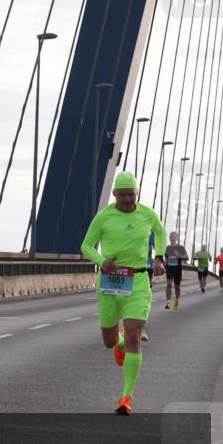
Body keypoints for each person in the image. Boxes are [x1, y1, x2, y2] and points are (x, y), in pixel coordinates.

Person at [80, 171, 166, 415]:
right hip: (109, 280)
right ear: (115, 193)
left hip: (138, 279)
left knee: (134, 335)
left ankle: (126, 397)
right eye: (124, 194)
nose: (129, 199)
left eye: (132, 194)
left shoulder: (147, 214)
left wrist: (158, 256)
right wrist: (101, 260)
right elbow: (85, 245)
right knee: (109, 342)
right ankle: (117, 343)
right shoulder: (104, 216)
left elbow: (160, 232)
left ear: (137, 193)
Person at [164, 232, 189, 310]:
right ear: (169, 238)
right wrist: (165, 262)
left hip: (177, 269)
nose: (172, 238)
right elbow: (166, 258)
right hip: (169, 268)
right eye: (171, 237)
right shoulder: (167, 248)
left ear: (177, 238)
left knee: (177, 287)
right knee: (169, 284)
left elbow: (187, 257)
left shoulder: (181, 248)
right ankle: (168, 303)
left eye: (174, 237)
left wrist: (179, 256)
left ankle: (176, 301)